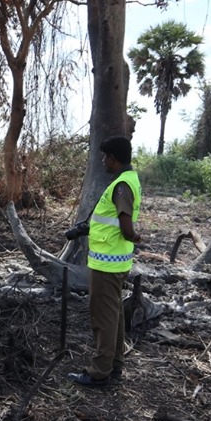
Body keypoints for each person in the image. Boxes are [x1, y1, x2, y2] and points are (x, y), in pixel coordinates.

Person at [67, 135, 142, 387]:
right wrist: (87, 229)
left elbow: (125, 223)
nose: (102, 161)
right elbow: (110, 220)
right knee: (115, 314)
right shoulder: (128, 180)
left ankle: (99, 372)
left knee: (103, 318)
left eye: (104, 156)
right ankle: (115, 365)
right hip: (114, 262)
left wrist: (134, 236)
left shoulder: (122, 186)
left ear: (112, 157)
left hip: (106, 265)